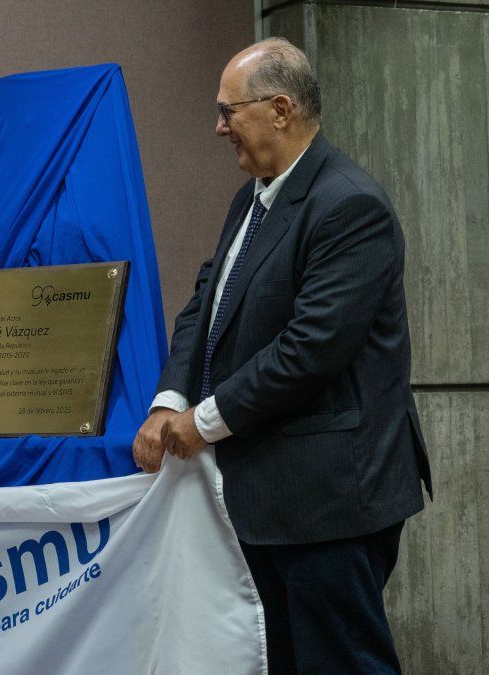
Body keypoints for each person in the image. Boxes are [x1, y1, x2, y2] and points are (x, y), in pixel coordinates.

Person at [132, 39, 432, 673]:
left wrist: (202, 422)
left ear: (279, 109)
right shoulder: (255, 195)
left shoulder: (350, 205)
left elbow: (308, 351)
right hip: (267, 497)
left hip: (329, 502)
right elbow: (205, 304)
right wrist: (170, 399)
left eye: (227, 110)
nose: (219, 127)